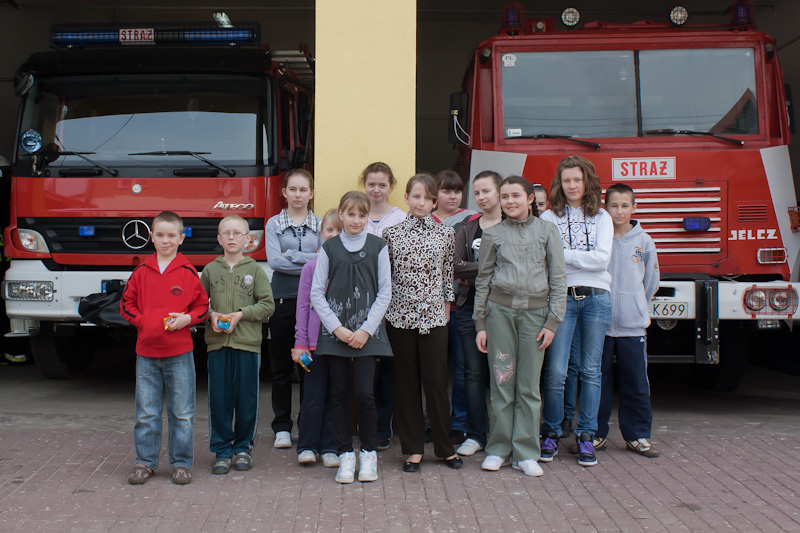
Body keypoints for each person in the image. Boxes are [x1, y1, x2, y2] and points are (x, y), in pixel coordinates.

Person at [473, 176, 567, 476]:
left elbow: (559, 278)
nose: (509, 201)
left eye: (516, 196)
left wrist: (553, 321)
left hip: (536, 318)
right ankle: (498, 448)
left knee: (528, 386)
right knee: (502, 381)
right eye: (504, 196)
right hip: (499, 316)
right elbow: (483, 279)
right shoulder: (494, 234)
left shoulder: (547, 231)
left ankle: (526, 451)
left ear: (530, 199)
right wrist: (480, 323)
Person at [121, 211, 209, 485]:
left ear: (182, 238)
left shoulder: (187, 272)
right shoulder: (141, 272)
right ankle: (144, 462)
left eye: (172, 235)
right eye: (160, 235)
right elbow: (126, 305)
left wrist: (188, 319)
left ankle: (181, 463)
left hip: (179, 354)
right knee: (146, 412)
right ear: (151, 237)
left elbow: (202, 306)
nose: (165, 240)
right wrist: (143, 322)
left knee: (182, 413)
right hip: (146, 354)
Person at [310, 191, 393, 484]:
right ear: (341, 215)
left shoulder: (379, 246)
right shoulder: (329, 248)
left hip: (367, 334)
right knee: (339, 393)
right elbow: (316, 293)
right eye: (350, 214)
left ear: (367, 216)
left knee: (364, 394)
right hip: (336, 335)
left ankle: (368, 453)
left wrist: (365, 329)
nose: (356, 220)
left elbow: (385, 291)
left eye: (362, 214)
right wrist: (338, 329)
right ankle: (346, 453)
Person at [383, 173, 462, 472]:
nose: (421, 202)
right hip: (399, 317)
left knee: (437, 382)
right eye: (416, 196)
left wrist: (445, 309)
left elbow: (446, 276)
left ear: (434, 202)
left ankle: (444, 447)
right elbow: (386, 279)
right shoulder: (390, 234)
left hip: (434, 318)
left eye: (428, 198)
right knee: (406, 383)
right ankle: (413, 449)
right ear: (406, 198)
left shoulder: (446, 234)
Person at [540, 155, 613, 467]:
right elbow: (547, 258)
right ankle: (552, 432)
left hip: (597, 297)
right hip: (561, 298)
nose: (572, 185)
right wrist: (580, 256)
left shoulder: (603, 217)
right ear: (560, 182)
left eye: (577, 180)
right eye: (567, 180)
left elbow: (602, 260)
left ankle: (586, 436)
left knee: (591, 371)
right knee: (556, 371)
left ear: (587, 182)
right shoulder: (548, 217)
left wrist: (565, 255)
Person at [201, 215, 275, 475]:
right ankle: (222, 450)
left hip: (247, 345)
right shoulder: (210, 271)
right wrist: (210, 315)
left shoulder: (255, 270)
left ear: (248, 238)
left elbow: (268, 304)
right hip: (217, 345)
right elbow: (199, 305)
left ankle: (243, 447)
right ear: (219, 239)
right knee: (219, 399)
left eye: (237, 233)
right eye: (226, 233)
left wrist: (241, 314)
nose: (232, 237)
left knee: (247, 399)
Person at [595, 183, 661, 458]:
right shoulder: (601, 238)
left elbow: (651, 281)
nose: (619, 211)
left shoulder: (644, 241)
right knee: (597, 380)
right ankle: (595, 433)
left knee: (636, 381)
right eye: (613, 205)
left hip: (632, 327)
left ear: (634, 208)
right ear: (604, 207)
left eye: (625, 205)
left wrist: (636, 305)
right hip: (599, 325)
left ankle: (637, 436)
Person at [265, 169, 323, 449]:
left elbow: (325, 262)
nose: (298, 195)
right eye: (293, 189)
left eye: (303, 190)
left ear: (311, 193)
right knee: (281, 367)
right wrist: (311, 261)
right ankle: (281, 425)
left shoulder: (322, 224)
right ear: (284, 192)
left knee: (307, 365)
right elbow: (275, 262)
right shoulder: (273, 224)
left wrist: (296, 256)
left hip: (313, 302)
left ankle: (307, 422)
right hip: (283, 299)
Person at [452, 170, 503, 456]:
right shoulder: (468, 228)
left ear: (499, 192)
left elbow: (517, 267)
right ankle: (475, 434)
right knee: (472, 374)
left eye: (487, 191)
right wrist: (492, 267)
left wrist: (478, 270)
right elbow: (457, 266)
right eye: (478, 192)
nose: (482, 197)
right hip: (469, 307)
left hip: (506, 308)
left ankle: (501, 433)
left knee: (503, 374)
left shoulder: (513, 225)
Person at [359, 162, 406, 451]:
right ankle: (362, 424)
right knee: (364, 368)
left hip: (393, 302)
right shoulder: (357, 214)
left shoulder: (400, 217)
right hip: (359, 301)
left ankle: (383, 427)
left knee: (387, 367)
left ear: (391, 186)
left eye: (382, 185)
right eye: (371, 184)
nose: (376, 190)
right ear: (364, 184)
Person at [293, 209, 342, 468]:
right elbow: (302, 306)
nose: (334, 235)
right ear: (321, 234)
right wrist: (300, 342)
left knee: (336, 395)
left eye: (339, 231)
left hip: (339, 345)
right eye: (329, 230)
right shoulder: (311, 267)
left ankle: (330, 446)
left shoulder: (348, 266)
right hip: (311, 346)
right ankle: (307, 445)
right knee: (312, 395)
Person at [432, 169, 478, 442]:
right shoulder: (424, 220)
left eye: (457, 190)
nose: (452, 195)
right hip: (431, 305)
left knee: (462, 366)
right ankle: (435, 420)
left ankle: (459, 421)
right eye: (446, 190)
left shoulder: (473, 221)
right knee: (435, 367)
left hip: (461, 303)